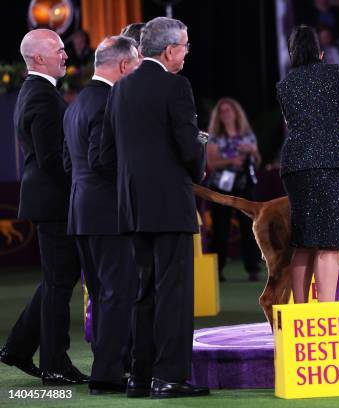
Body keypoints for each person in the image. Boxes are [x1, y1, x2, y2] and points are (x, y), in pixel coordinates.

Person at [100, 17, 209, 399]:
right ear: (169, 51)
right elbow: (188, 147)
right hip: (170, 206)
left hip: (132, 207)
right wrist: (202, 151)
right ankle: (169, 377)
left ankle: (139, 377)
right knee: (174, 294)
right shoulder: (176, 86)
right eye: (185, 46)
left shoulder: (119, 89)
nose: (186, 53)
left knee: (143, 292)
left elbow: (103, 153)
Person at [0, 29, 88, 385]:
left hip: (49, 199)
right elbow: (54, 159)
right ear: (38, 58)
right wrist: (82, 186)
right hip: (54, 201)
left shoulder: (37, 92)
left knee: (59, 278)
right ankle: (54, 363)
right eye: (59, 50)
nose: (66, 56)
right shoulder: (41, 96)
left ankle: (19, 349)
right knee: (58, 282)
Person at [276, 25, 339, 303]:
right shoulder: (338, 74)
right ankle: (326, 313)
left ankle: (300, 312)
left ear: (292, 53)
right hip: (330, 164)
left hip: (295, 166)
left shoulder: (284, 85)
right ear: (320, 52)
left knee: (303, 240)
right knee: (328, 243)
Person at [62, 36, 140, 395]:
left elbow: (70, 163)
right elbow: (102, 159)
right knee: (117, 293)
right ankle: (107, 373)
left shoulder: (77, 103)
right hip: (108, 214)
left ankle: (109, 363)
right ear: (123, 65)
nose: (137, 70)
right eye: (136, 64)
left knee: (102, 294)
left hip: (81, 212)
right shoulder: (110, 101)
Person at [206, 97, 262, 282]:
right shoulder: (214, 136)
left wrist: (252, 151)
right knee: (220, 228)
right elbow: (211, 162)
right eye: (222, 111)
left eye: (228, 110)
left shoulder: (247, 134)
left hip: (243, 185)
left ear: (236, 112)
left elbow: (257, 160)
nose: (225, 114)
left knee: (249, 227)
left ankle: (253, 267)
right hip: (221, 187)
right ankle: (218, 269)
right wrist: (232, 161)